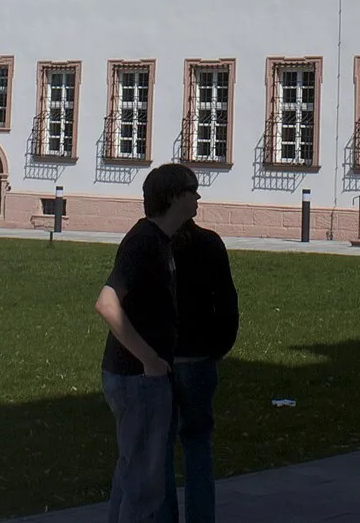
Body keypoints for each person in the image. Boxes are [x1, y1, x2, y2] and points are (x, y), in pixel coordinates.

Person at [94, 163, 200, 523]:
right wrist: (149, 360)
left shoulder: (160, 241)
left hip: (141, 378)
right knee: (144, 485)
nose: (198, 196)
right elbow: (106, 303)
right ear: (173, 197)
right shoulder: (143, 243)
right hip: (138, 380)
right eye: (192, 189)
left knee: (132, 476)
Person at [162, 215, 238, 523]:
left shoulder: (155, 244)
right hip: (197, 358)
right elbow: (227, 303)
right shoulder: (209, 243)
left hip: (160, 359)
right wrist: (218, 348)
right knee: (197, 445)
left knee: (161, 448)